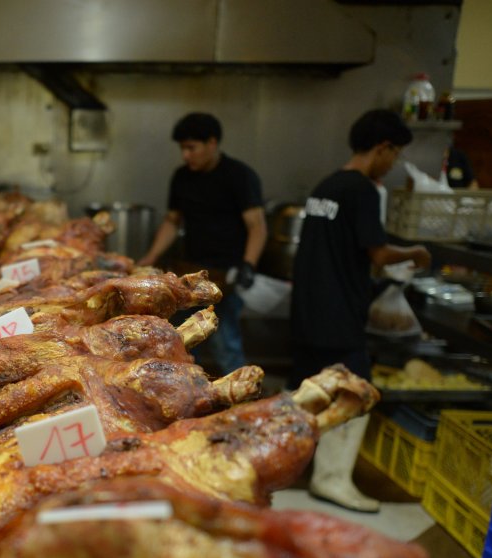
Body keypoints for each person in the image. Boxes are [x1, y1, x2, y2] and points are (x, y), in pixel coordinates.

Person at [289, 109, 432, 512]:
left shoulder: (326, 186)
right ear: (383, 148)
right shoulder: (362, 190)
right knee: (355, 392)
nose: (394, 163)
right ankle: (331, 480)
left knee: (304, 391)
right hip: (338, 313)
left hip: (307, 311)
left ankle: (278, 465)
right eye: (395, 153)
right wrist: (416, 253)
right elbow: (381, 253)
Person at [137, 112, 267, 375]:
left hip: (223, 278)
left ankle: (240, 400)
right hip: (189, 275)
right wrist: (149, 258)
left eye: (191, 148)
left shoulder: (238, 176)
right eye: (182, 148)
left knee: (225, 346)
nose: (185, 155)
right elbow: (173, 221)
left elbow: (257, 226)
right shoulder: (182, 177)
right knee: (177, 343)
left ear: (212, 143)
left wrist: (249, 264)